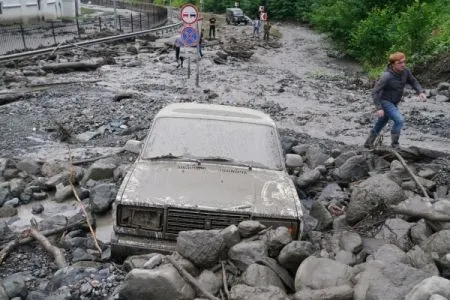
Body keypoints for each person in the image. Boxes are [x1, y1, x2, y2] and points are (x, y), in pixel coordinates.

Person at [364, 52, 427, 149]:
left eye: (404, 62)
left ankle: (368, 143)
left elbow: (413, 81)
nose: (403, 64)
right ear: (393, 64)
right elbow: (374, 92)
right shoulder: (387, 76)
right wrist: (378, 108)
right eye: (399, 63)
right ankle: (395, 145)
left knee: (381, 122)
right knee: (399, 120)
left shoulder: (405, 71)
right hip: (384, 101)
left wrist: (420, 91)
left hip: (394, 102)